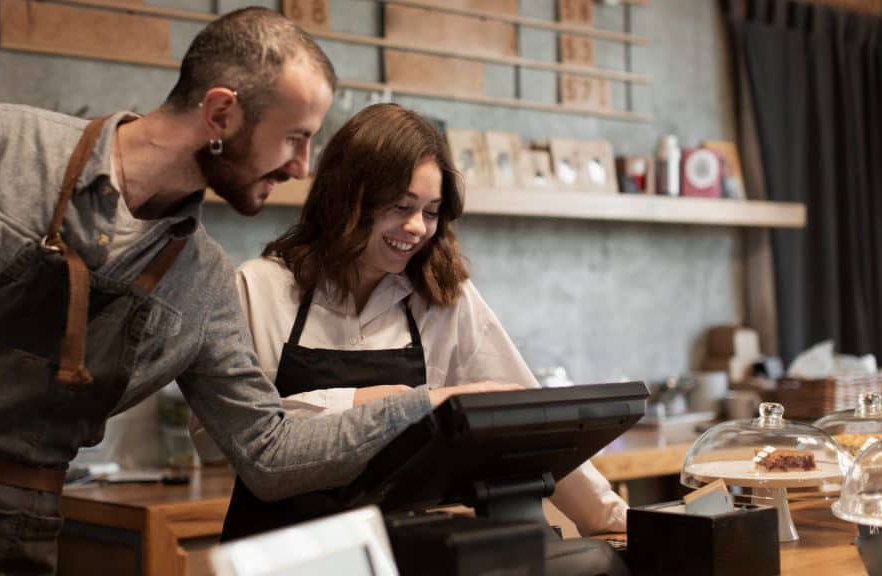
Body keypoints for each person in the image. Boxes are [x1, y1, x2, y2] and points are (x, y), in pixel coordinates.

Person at [0, 9, 511, 575]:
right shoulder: (3, 148)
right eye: (295, 138)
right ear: (219, 115)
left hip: (19, 533)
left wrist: (428, 403)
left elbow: (268, 452)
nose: (303, 167)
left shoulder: (205, 280)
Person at [192, 103, 629, 542]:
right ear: (349, 197)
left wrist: (610, 516)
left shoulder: (442, 296)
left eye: (432, 211)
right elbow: (216, 439)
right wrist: (388, 401)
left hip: (399, 553)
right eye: (402, 206)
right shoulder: (259, 287)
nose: (417, 227)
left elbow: (530, 420)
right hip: (278, 555)